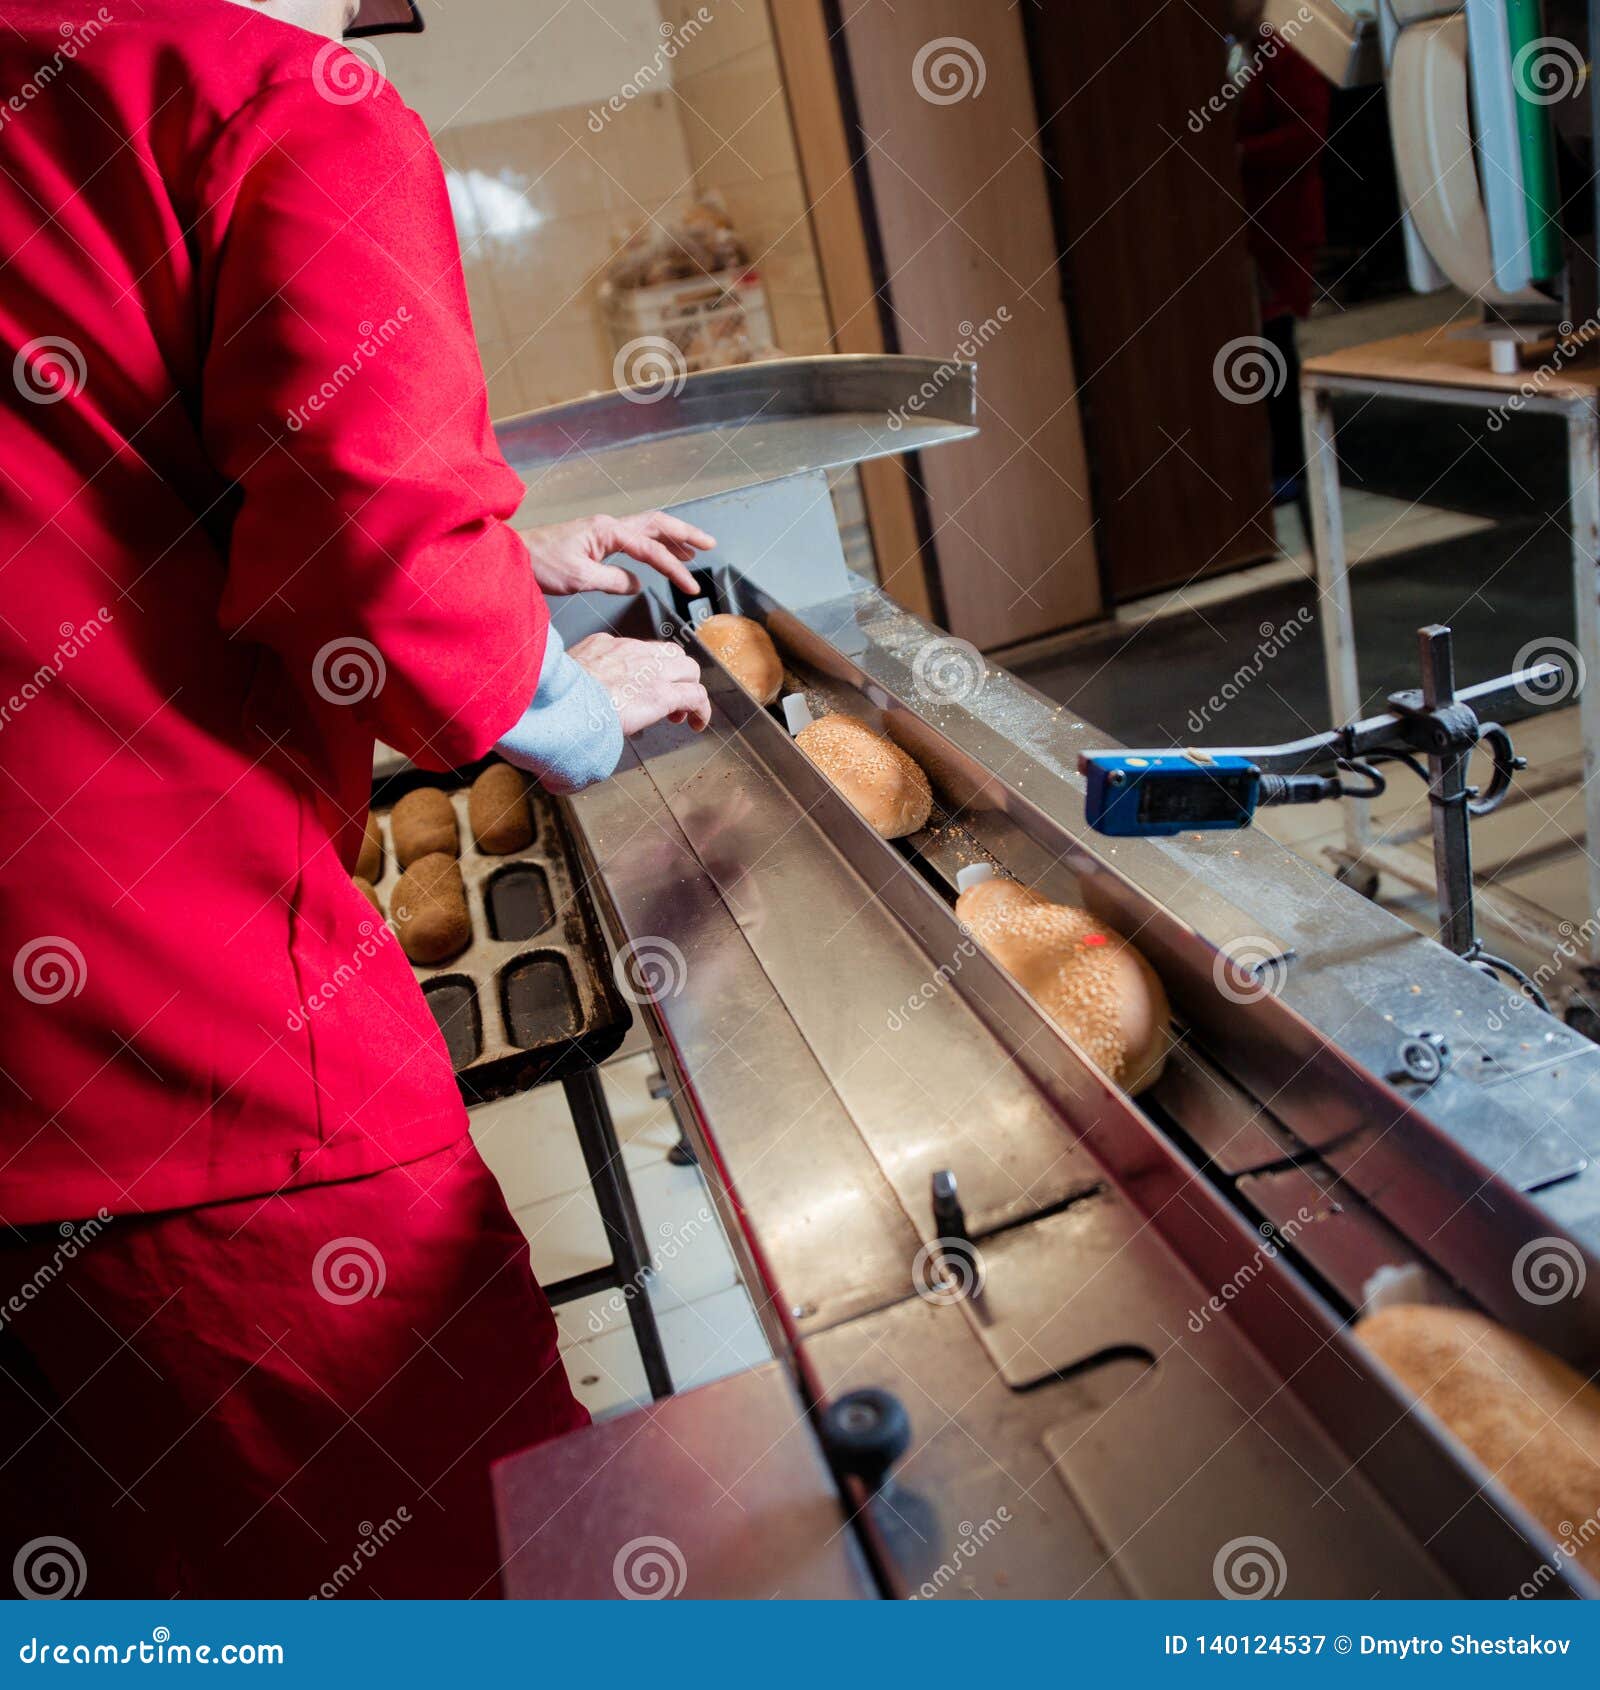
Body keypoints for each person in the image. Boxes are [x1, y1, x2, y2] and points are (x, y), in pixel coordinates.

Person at [0, 0, 711, 1598]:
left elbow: (90, 466)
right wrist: (559, 696)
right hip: (186, 1057)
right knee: (455, 1574)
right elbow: (378, 573)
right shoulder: (272, 97)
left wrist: (496, 568)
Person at [1230, 0, 1332, 501]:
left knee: (1275, 340)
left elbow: (1309, 134)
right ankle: (1279, 461)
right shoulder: (1237, 55)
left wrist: (1244, 154)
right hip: (1255, 225)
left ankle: (1293, 464)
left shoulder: (1284, 52)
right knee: (1264, 339)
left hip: (1282, 222)